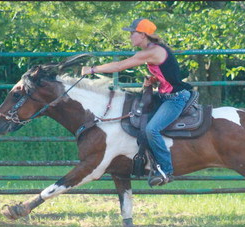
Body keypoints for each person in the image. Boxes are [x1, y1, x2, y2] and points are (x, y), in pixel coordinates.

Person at [81, 18, 192, 186]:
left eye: (133, 33)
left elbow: (119, 66)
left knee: (152, 129)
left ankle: (166, 170)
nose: (130, 36)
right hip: (164, 95)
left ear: (143, 35)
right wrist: (155, 79)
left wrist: (92, 70)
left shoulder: (151, 52)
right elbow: (169, 73)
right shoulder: (153, 50)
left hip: (175, 98)